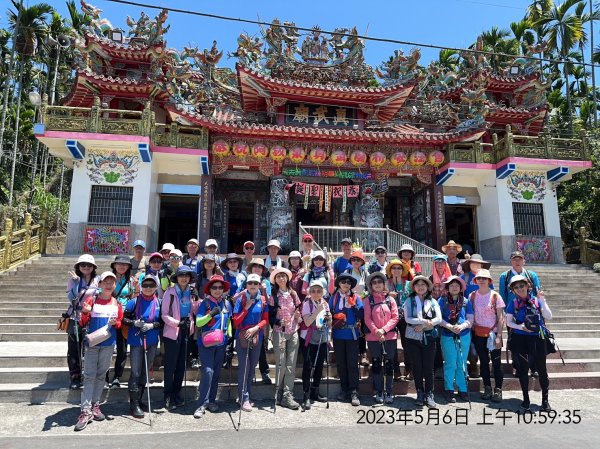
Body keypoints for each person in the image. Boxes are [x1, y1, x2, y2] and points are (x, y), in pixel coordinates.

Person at [74, 272, 123, 431]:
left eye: (112, 282)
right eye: (105, 282)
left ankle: (95, 405)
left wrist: (116, 323)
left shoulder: (116, 302)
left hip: (108, 343)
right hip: (93, 344)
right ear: (100, 284)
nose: (109, 285)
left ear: (115, 285)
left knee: (102, 375)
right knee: (89, 376)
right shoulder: (91, 300)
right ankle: (85, 410)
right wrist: (86, 312)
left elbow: (119, 323)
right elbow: (82, 321)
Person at [505, 274, 553, 411]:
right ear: (513, 290)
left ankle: (545, 400)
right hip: (521, 340)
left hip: (537, 339)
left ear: (528, 286)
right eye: (516, 287)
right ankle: (526, 399)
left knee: (542, 370)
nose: (520, 289)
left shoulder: (537, 301)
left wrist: (542, 301)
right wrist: (521, 327)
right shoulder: (513, 303)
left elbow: (549, 316)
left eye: (522, 285)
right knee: (523, 370)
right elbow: (508, 322)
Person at [122, 276, 162, 418]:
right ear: (142, 286)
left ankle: (139, 400)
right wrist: (134, 323)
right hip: (136, 341)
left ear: (156, 287)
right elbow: (124, 319)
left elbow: (162, 322)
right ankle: (134, 405)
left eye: (151, 285)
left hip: (151, 341)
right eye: (145, 285)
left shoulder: (159, 302)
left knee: (145, 371)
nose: (148, 287)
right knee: (136, 372)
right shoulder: (133, 302)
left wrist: (152, 325)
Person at [193, 275, 233, 419]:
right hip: (206, 344)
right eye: (214, 287)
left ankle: (211, 401)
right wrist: (210, 315)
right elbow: (198, 323)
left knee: (216, 373)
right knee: (208, 372)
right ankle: (201, 404)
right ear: (209, 289)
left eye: (220, 287)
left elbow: (228, 321)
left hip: (221, 344)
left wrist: (229, 338)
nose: (217, 290)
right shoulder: (205, 304)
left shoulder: (227, 304)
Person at [499, 250, 542, 378]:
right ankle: (518, 367)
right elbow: (502, 295)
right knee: (515, 342)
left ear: (524, 260)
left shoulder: (531, 275)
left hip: (530, 313)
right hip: (513, 314)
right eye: (514, 259)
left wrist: (538, 308)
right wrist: (507, 313)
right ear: (511, 261)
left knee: (533, 341)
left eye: (519, 259)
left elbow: (537, 292)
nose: (517, 261)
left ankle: (534, 367)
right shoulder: (505, 276)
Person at [161, 265, 199, 410]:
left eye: (187, 276)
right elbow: (164, 314)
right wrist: (178, 323)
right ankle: (167, 394)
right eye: (181, 275)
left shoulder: (191, 293)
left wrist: (196, 300)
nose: (184, 278)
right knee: (170, 365)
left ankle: (176, 393)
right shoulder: (169, 293)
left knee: (182, 364)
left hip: (186, 331)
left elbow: (195, 310)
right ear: (176, 278)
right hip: (172, 331)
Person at [403, 275, 442, 408]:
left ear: (427, 287)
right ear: (413, 287)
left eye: (423, 285)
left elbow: (438, 318)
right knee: (417, 366)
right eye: (417, 284)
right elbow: (407, 319)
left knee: (428, 367)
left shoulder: (432, 301)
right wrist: (423, 321)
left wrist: (424, 325)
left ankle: (429, 393)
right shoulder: (409, 300)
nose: (420, 287)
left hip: (429, 337)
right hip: (413, 338)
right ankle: (419, 391)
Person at [232, 273, 269, 412]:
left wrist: (256, 328)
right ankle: (243, 398)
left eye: (255, 283)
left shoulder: (263, 300)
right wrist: (246, 308)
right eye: (250, 283)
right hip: (242, 336)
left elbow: (265, 319)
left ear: (259, 285)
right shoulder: (241, 300)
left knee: (252, 367)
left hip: (256, 336)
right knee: (244, 367)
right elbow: (236, 322)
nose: (252, 285)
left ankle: (246, 395)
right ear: (246, 285)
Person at [64, 254, 99, 389]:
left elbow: (101, 294)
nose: (86, 267)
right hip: (75, 316)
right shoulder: (73, 280)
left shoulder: (97, 279)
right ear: (78, 266)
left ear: (93, 267)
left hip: (91, 316)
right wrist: (76, 283)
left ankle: (89, 375)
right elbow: (71, 298)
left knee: (90, 347)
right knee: (74, 348)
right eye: (83, 265)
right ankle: (75, 376)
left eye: (89, 265)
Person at [269, 267, 302, 410]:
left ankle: (288, 395)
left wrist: (297, 316)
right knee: (281, 363)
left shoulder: (293, 294)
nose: (281, 278)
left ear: (287, 278)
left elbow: (299, 311)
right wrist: (276, 322)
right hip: (279, 333)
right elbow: (269, 316)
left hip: (293, 331)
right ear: (275, 280)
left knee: (291, 364)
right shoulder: (273, 296)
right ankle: (278, 392)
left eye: (283, 276)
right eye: (278, 276)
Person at [364, 272, 399, 404]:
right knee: (377, 364)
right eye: (374, 282)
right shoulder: (368, 300)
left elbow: (395, 317)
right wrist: (376, 331)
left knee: (389, 364)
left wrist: (384, 330)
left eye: (380, 281)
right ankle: (379, 390)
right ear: (371, 285)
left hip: (389, 336)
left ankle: (389, 390)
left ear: (384, 284)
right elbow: (367, 318)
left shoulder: (390, 300)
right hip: (373, 337)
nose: (377, 284)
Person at [470, 268, 505, 402]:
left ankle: (498, 389)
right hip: (479, 333)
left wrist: (499, 336)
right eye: (479, 278)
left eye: (484, 278)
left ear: (489, 280)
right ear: (476, 281)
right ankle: (487, 387)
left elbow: (500, 317)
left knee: (496, 363)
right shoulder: (472, 295)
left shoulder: (495, 296)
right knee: (484, 362)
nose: (482, 280)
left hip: (493, 332)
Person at [329, 273, 363, 406]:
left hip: (352, 334)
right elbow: (329, 312)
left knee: (353, 364)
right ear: (339, 283)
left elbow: (361, 314)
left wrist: (354, 306)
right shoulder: (334, 297)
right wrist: (334, 316)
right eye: (343, 281)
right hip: (338, 335)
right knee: (341, 364)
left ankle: (354, 391)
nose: (346, 284)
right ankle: (344, 389)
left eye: (349, 282)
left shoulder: (356, 297)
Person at [438, 276, 473, 403]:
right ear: (447, 288)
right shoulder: (442, 301)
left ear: (460, 288)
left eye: (456, 285)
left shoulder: (466, 301)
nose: (454, 287)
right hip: (447, 334)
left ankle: (463, 389)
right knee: (450, 362)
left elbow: (470, 319)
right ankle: (449, 389)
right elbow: (438, 318)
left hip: (463, 335)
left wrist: (462, 326)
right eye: (451, 285)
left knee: (462, 362)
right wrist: (449, 326)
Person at [299, 280, 331, 410]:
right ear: (310, 292)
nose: (316, 293)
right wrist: (317, 311)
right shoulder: (306, 304)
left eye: (319, 291)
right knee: (308, 365)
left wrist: (329, 319)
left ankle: (315, 392)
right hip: (308, 336)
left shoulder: (325, 304)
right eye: (313, 291)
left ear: (322, 292)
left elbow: (329, 322)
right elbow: (307, 322)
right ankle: (306, 395)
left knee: (319, 365)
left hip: (322, 337)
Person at [461, 253, 493, 378]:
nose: (476, 265)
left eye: (478, 263)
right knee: (470, 342)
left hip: (485, 317)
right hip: (468, 314)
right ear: (469, 264)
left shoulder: (486, 277)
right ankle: (474, 366)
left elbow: (491, 294)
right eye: (473, 263)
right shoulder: (465, 277)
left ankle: (486, 366)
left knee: (485, 342)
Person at [107, 255, 136, 389]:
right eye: (119, 264)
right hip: (108, 315)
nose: (121, 266)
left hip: (124, 316)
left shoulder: (130, 280)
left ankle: (117, 377)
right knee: (106, 347)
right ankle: (104, 376)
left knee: (122, 349)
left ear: (129, 267)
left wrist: (136, 289)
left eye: (125, 264)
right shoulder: (108, 279)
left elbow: (133, 297)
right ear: (114, 265)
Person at [242, 258, 272, 384]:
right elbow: (239, 296)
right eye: (255, 266)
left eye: (260, 267)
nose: (258, 268)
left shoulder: (266, 282)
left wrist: (264, 289)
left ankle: (264, 372)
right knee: (247, 347)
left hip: (260, 318)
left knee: (261, 347)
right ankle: (250, 372)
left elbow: (268, 299)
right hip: (246, 319)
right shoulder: (246, 281)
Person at [343, 249, 368, 367]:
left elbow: (368, 288)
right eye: (354, 259)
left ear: (362, 261)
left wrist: (365, 295)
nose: (356, 261)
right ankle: (353, 353)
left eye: (358, 259)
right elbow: (342, 286)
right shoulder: (347, 271)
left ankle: (363, 353)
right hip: (349, 303)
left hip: (362, 304)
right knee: (351, 326)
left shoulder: (365, 273)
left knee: (362, 328)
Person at [385, 258, 410, 381]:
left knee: (407, 343)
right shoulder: (385, 283)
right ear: (390, 270)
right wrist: (387, 295)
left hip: (406, 317)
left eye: (399, 268)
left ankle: (409, 368)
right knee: (392, 345)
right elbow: (379, 295)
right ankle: (395, 370)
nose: (396, 270)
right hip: (390, 316)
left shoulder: (409, 284)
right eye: (393, 268)